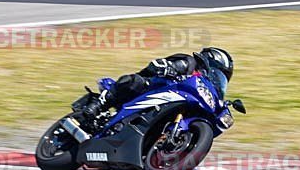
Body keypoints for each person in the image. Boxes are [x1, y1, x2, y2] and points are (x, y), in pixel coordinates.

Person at [78, 47, 234, 123]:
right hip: (150, 89)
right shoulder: (188, 63)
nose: (217, 80)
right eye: (216, 74)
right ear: (208, 63)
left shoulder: (204, 90)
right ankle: (98, 104)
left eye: (221, 79)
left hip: (170, 104)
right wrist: (166, 67)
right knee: (134, 82)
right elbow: (156, 65)